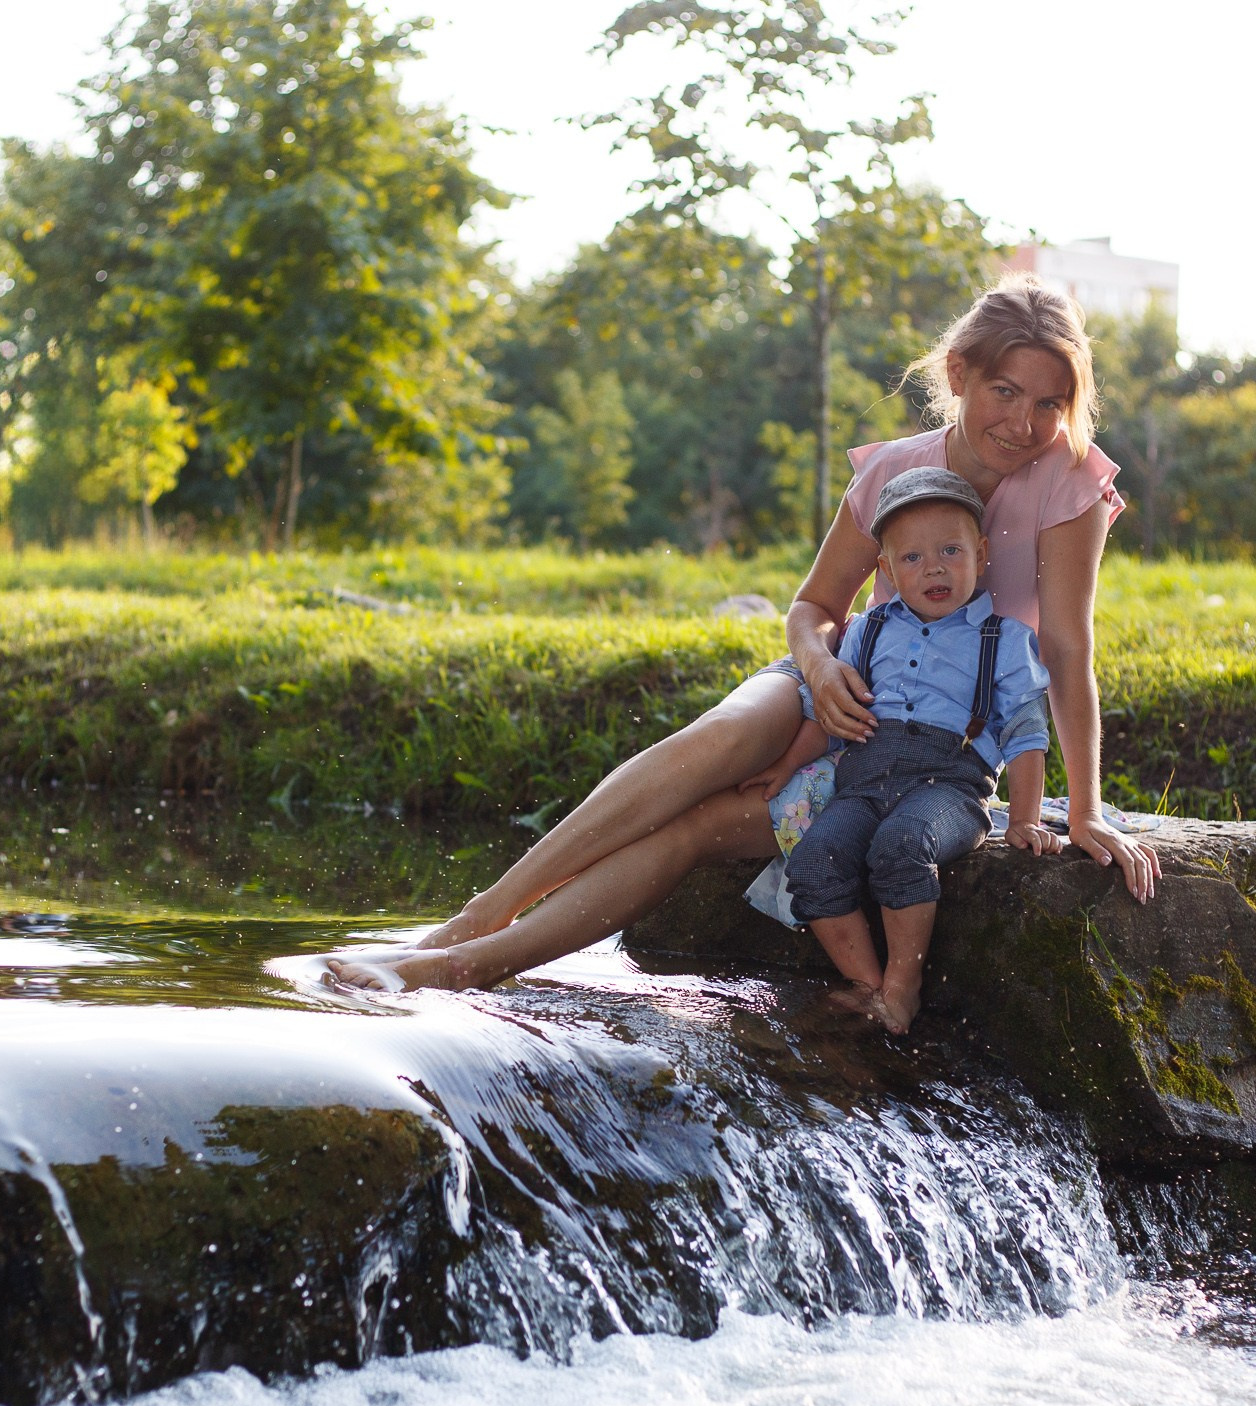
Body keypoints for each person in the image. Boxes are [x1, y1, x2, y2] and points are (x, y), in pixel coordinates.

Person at [323, 275, 1158, 994]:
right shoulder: (891, 470)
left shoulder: (1069, 482)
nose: (1025, 421)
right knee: (719, 735)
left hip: (928, 741)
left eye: (1050, 402)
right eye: (1006, 392)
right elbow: (813, 605)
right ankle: (475, 915)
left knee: (694, 831)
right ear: (959, 373)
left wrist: (1082, 809)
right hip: (843, 680)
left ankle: (472, 967)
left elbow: (1065, 652)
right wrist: (818, 669)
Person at [776, 465, 1066, 1034]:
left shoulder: (1004, 640)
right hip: (864, 785)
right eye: (911, 558)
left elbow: (1028, 733)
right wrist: (783, 768)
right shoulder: (870, 630)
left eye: (950, 550)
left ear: (981, 555)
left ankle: (902, 989)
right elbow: (828, 716)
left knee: (903, 843)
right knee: (813, 861)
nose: (933, 567)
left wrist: (1025, 819)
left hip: (950, 789)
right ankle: (868, 985)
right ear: (885, 569)